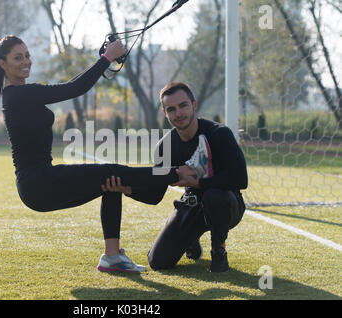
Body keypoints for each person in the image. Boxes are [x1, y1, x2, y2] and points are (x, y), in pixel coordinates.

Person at [0, 35, 187, 273]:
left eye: (27, 55)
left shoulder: (21, 94)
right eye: (17, 58)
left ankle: (112, 257)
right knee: (111, 171)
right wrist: (107, 59)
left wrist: (103, 60)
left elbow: (73, 84)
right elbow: (75, 88)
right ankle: (178, 174)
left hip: (39, 183)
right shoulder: (20, 94)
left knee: (110, 182)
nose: (26, 61)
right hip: (37, 182)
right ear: (2, 64)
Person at [102, 82, 248, 272]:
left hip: (226, 204)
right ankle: (191, 239)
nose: (178, 113)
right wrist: (126, 189)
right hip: (192, 204)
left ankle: (218, 250)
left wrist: (199, 182)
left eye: (183, 106)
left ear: (194, 105)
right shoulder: (165, 146)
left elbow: (240, 179)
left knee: (214, 196)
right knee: (158, 262)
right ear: (165, 113)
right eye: (171, 109)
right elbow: (154, 195)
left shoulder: (219, 134)